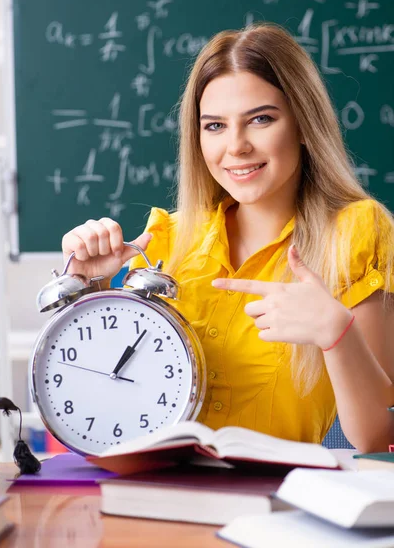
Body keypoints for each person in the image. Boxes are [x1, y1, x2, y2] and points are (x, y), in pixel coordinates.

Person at [62, 23, 394, 452]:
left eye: (260, 119)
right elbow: (107, 401)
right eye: (215, 125)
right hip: (158, 490)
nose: (235, 146)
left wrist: (337, 333)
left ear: (303, 124)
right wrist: (91, 291)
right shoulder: (167, 241)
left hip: (273, 503)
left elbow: (375, 438)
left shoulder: (356, 233)